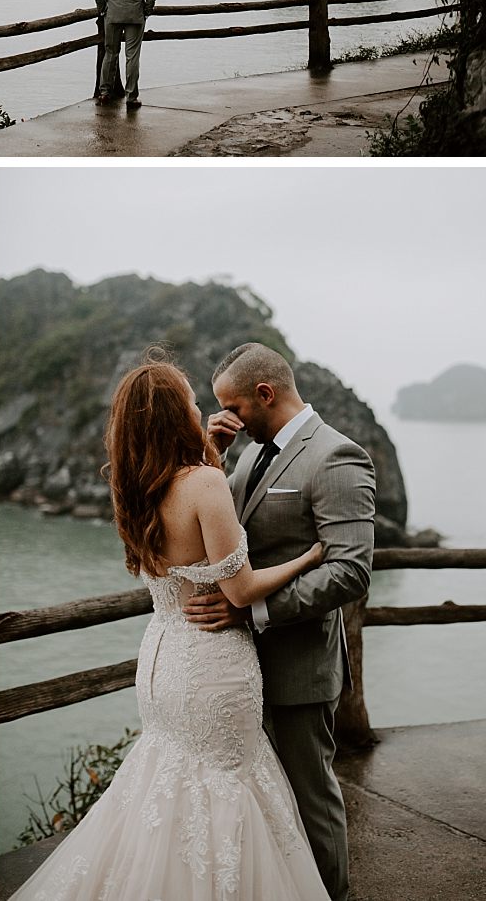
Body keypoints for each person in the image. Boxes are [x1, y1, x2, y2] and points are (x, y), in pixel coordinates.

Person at [10, 356, 332, 901]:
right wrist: (311, 556)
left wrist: (214, 455)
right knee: (224, 792)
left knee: (168, 789)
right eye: (189, 398)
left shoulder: (134, 488)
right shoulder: (204, 483)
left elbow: (184, 536)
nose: (199, 407)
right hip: (211, 666)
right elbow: (241, 590)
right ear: (175, 414)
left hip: (161, 662)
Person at [186, 342, 376, 901]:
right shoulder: (246, 453)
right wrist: (211, 453)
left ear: (264, 394)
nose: (227, 418)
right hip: (238, 670)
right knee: (260, 801)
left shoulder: (337, 457)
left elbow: (350, 573)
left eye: (233, 407)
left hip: (298, 668)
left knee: (309, 800)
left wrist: (252, 608)